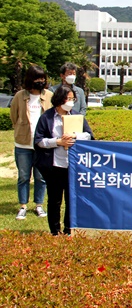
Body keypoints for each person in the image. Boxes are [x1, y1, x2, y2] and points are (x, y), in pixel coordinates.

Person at [34, 85, 93, 236]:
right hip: (53, 165)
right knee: (54, 200)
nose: (71, 102)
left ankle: (68, 229)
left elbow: (89, 135)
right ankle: (55, 231)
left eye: (73, 99)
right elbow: (39, 140)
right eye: (68, 98)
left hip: (72, 165)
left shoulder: (77, 116)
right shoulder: (46, 117)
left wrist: (74, 136)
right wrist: (58, 142)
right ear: (59, 99)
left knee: (70, 199)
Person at [10, 65, 53, 220]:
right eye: (37, 78)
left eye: (42, 78)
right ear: (30, 79)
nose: (40, 81)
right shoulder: (20, 96)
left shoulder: (49, 96)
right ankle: (23, 206)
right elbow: (13, 117)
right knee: (23, 176)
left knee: (41, 177)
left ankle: (39, 205)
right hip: (23, 145)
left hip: (42, 145)